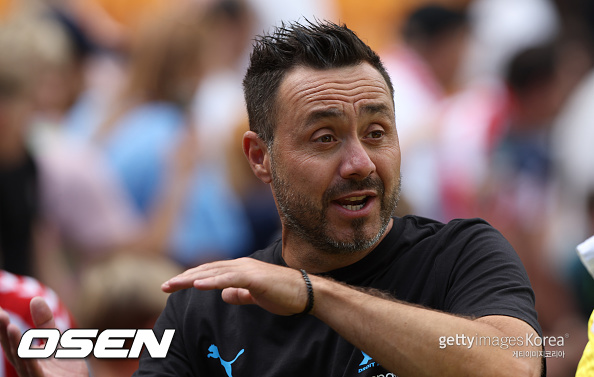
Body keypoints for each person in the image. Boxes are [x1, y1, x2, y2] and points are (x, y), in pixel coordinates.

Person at [1, 20, 543, 377]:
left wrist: (317, 295)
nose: (360, 163)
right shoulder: (204, 311)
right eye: (325, 138)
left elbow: (517, 364)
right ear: (260, 157)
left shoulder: (461, 255)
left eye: (377, 132)